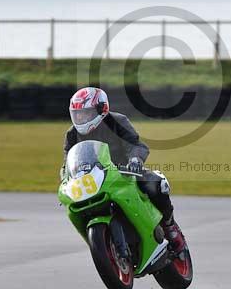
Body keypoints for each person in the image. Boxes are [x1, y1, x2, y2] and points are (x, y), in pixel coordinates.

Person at [63, 86, 186, 252]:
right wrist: (66, 177)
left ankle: (170, 226)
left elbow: (136, 144)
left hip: (125, 172)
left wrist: (135, 159)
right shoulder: (72, 134)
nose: (81, 118)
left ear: (101, 109)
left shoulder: (117, 121)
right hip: (93, 179)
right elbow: (68, 161)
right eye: (77, 114)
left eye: (86, 113)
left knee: (156, 185)